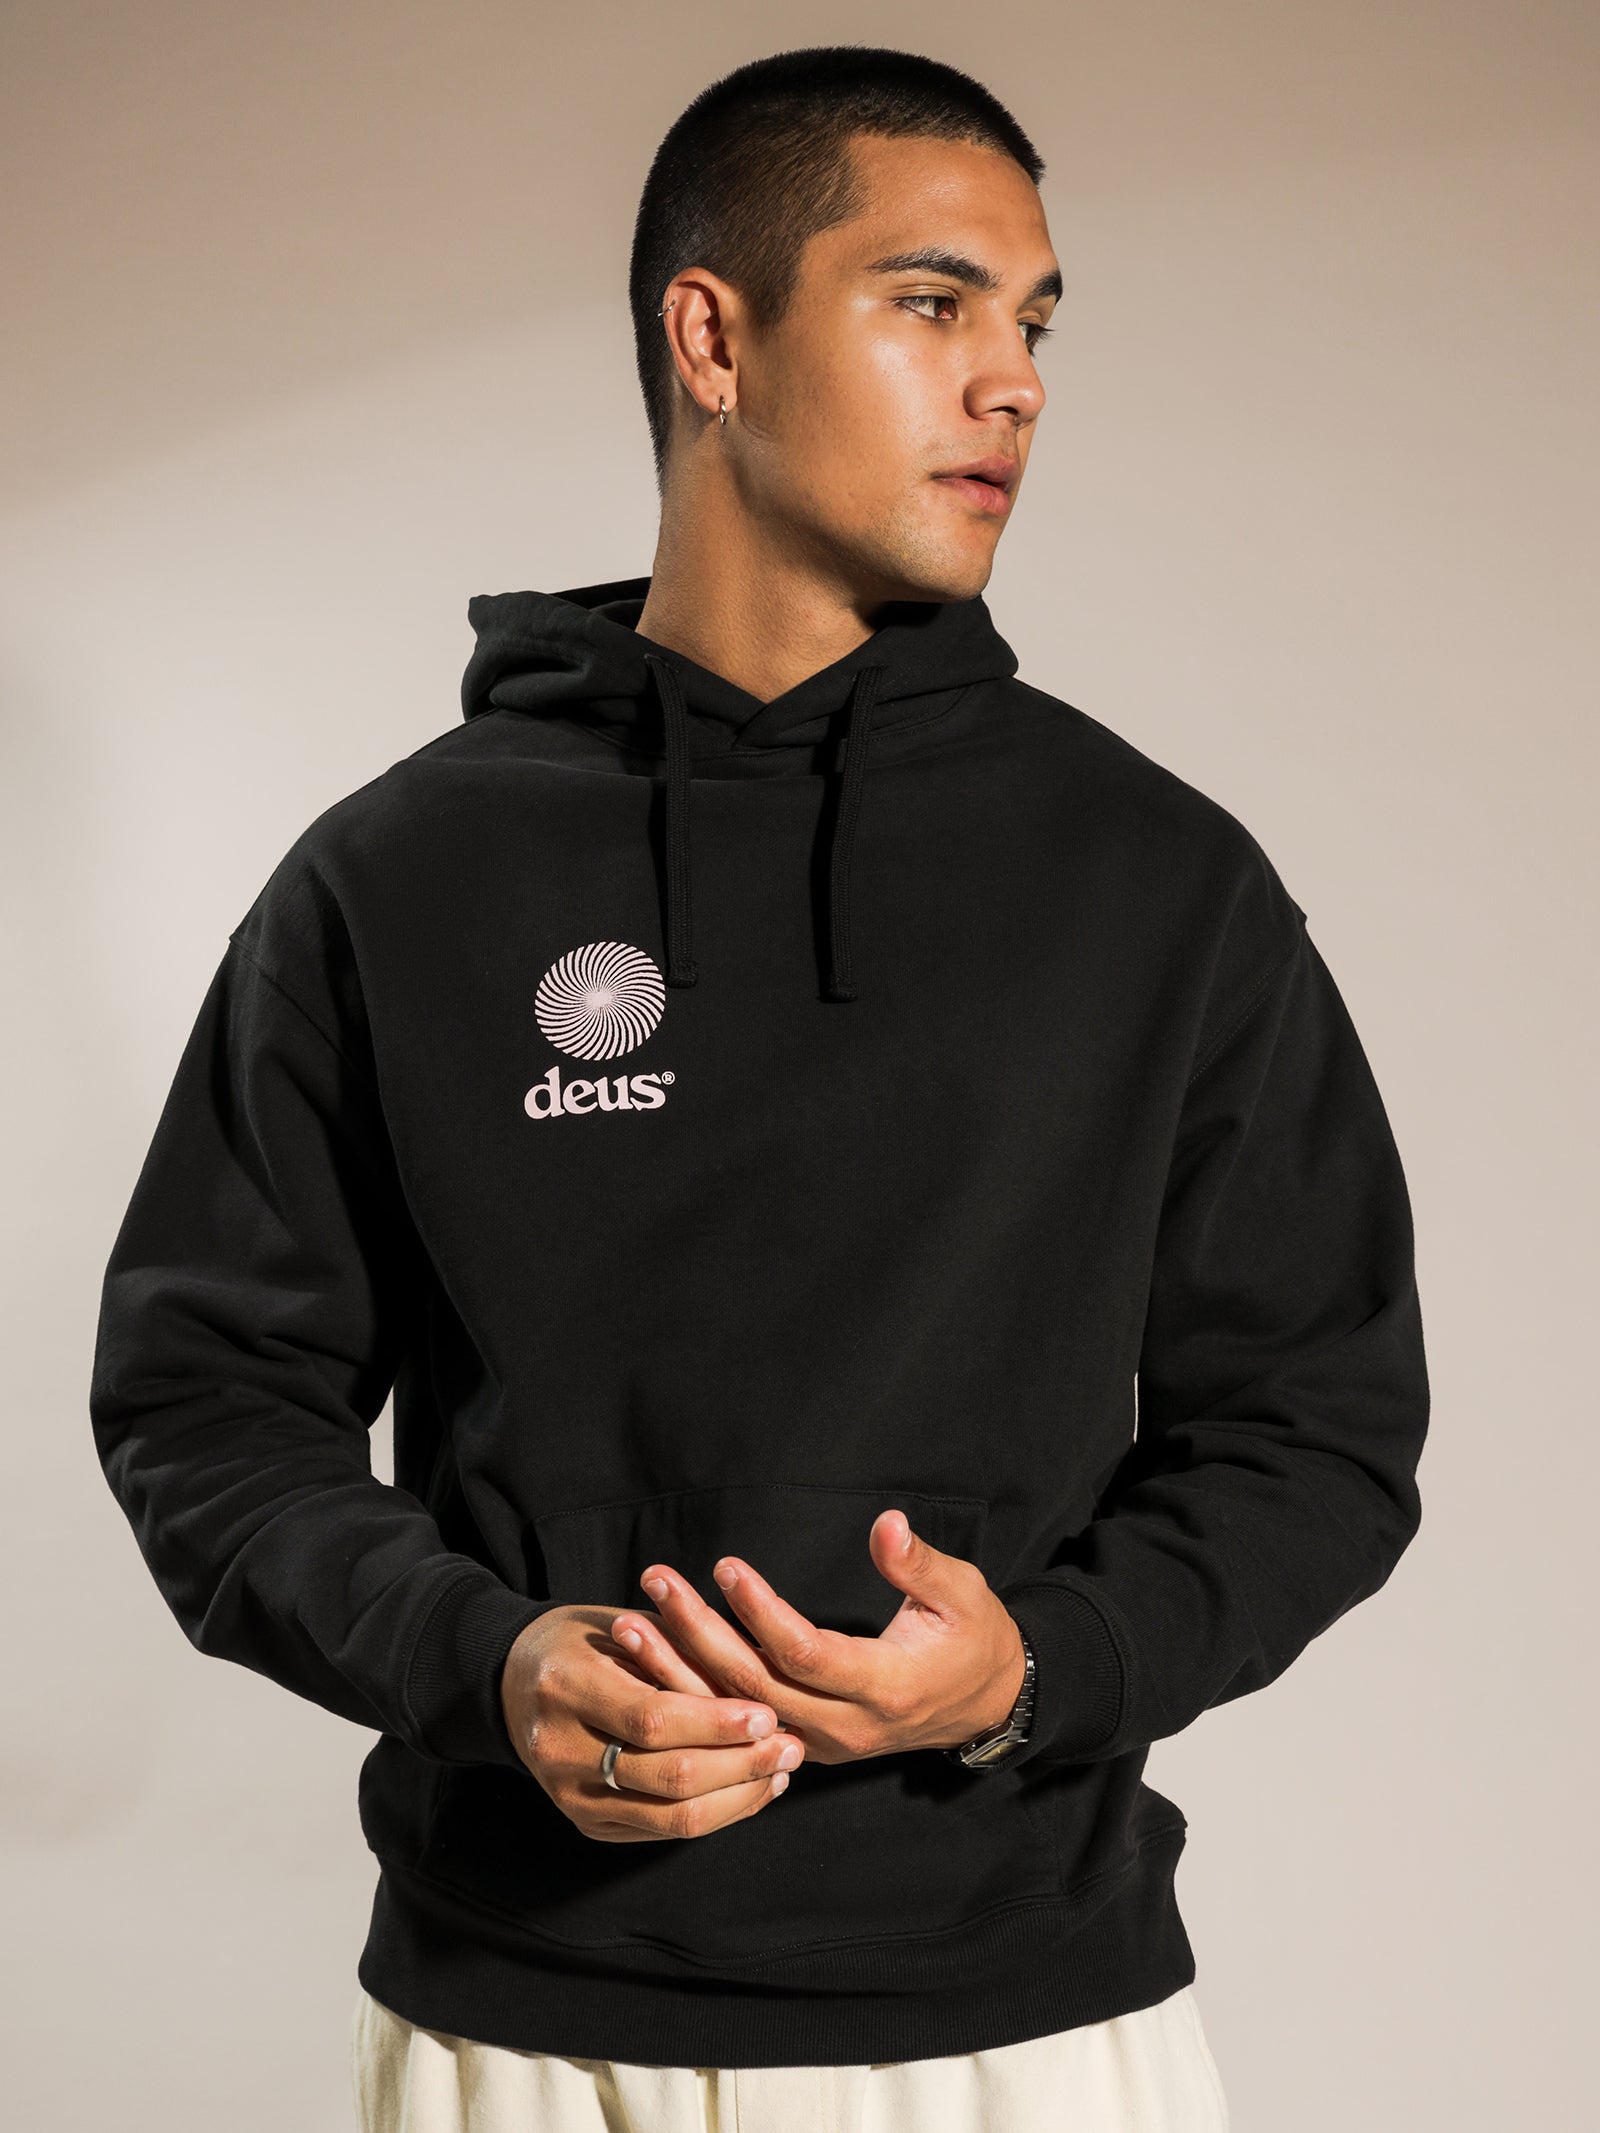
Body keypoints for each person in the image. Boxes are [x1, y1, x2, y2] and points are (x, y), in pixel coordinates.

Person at [88, 42, 1430, 2133]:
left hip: (1022, 2029)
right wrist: (482, 1659)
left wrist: (1033, 1669)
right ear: (711, 339)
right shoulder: (400, 878)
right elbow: (204, 1404)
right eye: (934, 301)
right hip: (516, 2036)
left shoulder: (1156, 883)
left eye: (1035, 319)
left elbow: (1318, 1426)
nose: (1014, 381)